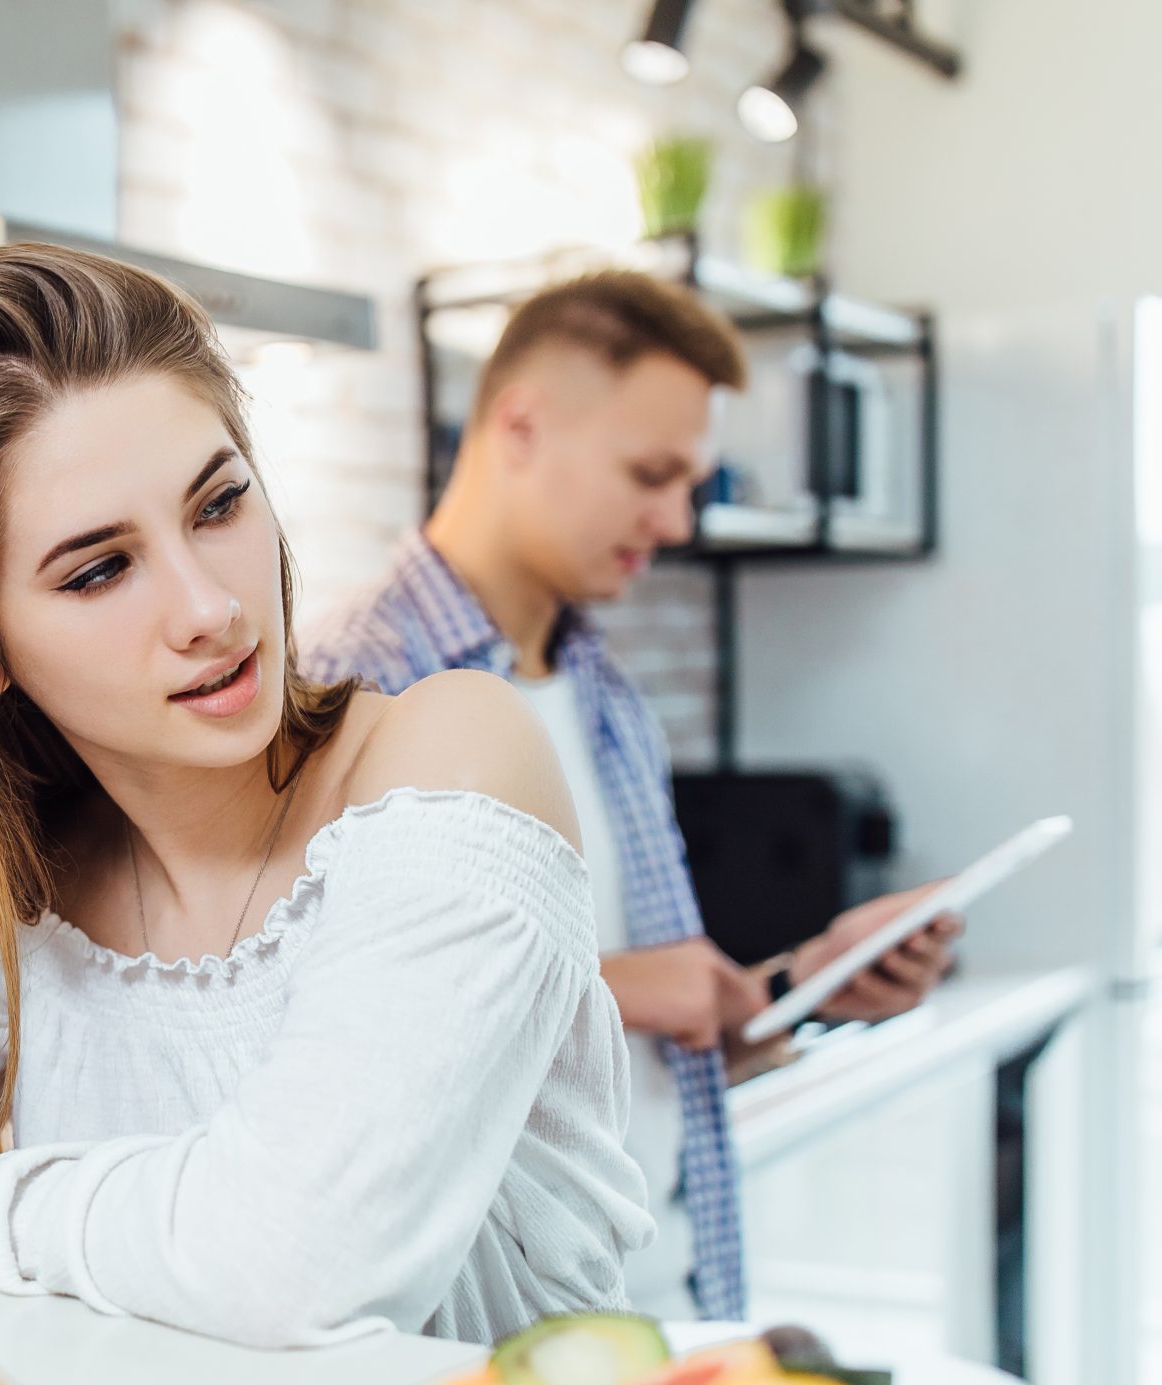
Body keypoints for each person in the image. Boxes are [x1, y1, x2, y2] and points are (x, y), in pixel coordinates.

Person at [0, 244, 653, 1348]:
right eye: (96, 570)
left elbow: (298, 1263)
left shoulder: (453, 755)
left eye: (218, 504)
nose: (208, 607)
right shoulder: (24, 916)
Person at [301, 271, 961, 1324]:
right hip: (489, 1324)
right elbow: (304, 1042)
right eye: (649, 473)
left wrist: (803, 985)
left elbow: (625, 1060)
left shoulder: (604, 692)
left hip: (670, 1287)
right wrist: (612, 987)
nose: (676, 516)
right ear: (519, 425)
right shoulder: (353, 681)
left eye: (689, 480)